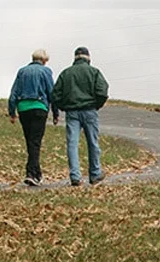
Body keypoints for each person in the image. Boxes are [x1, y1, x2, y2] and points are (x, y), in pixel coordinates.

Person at [50, 46, 110, 187]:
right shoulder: (94, 72)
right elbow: (102, 91)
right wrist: (96, 105)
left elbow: (55, 95)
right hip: (89, 111)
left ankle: (75, 176)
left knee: (72, 143)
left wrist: (64, 106)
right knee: (93, 143)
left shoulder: (66, 73)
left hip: (72, 113)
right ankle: (95, 174)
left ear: (75, 58)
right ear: (88, 58)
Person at [7, 49, 59, 187]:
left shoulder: (22, 71)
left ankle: (36, 173)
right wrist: (55, 113)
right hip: (39, 108)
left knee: (30, 141)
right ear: (44, 60)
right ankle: (31, 173)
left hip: (23, 109)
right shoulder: (45, 72)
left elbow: (14, 92)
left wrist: (12, 112)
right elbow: (51, 93)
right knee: (35, 142)